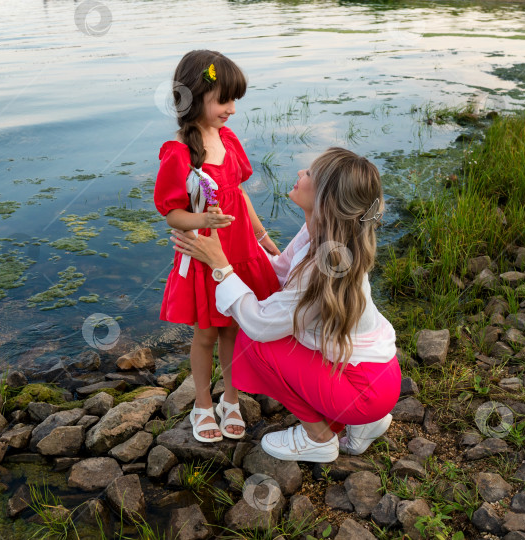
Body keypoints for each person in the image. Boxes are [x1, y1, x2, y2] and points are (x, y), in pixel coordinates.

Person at [170, 147, 402, 462]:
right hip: (380, 376)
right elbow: (277, 272)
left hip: (363, 391)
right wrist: (237, 247)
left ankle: (318, 438)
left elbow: (261, 325)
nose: (299, 174)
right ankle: (365, 426)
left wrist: (221, 267)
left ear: (325, 201)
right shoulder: (322, 235)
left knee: (254, 341)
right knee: (270, 325)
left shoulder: (324, 266)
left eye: (308, 174)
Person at [154, 50, 281, 443]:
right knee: (207, 332)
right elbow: (172, 212)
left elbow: (239, 194)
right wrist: (203, 220)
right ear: (194, 97)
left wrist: (262, 238)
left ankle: (232, 397)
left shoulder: (227, 139)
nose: (231, 110)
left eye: (234, 100)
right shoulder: (178, 151)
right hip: (207, 254)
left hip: (239, 249)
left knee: (234, 331)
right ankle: (203, 403)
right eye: (224, 100)